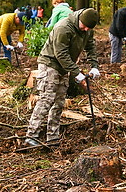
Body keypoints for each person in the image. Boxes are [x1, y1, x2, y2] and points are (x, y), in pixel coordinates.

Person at [25, 8, 100, 146]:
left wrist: (94, 65)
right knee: (47, 99)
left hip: (65, 66)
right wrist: (76, 72)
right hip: (50, 63)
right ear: (80, 20)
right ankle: (32, 135)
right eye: (84, 26)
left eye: (89, 28)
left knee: (59, 101)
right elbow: (61, 54)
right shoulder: (63, 28)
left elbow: (90, 47)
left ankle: (52, 137)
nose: (86, 30)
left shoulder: (87, 29)